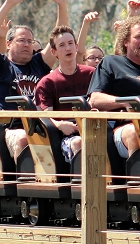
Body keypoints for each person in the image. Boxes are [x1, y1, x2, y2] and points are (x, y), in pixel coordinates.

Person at [0, 0, 58, 106]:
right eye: (21, 40)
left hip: (39, 122)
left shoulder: (39, 64)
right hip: (9, 124)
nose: (27, 44)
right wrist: (9, 3)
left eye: (30, 41)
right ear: (8, 44)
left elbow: (58, 38)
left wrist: (61, 5)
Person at [89, 18, 140, 158]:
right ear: (126, 41)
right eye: (138, 37)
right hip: (122, 127)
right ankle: (138, 178)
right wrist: (127, 102)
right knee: (137, 133)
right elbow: (95, 99)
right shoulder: (111, 62)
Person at [32, 26, 94, 162]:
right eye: (62, 45)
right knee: (78, 143)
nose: (68, 48)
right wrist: (59, 125)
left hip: (95, 129)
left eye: (71, 43)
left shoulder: (91, 73)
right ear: (54, 52)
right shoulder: (47, 82)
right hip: (65, 137)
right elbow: (44, 117)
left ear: (76, 47)